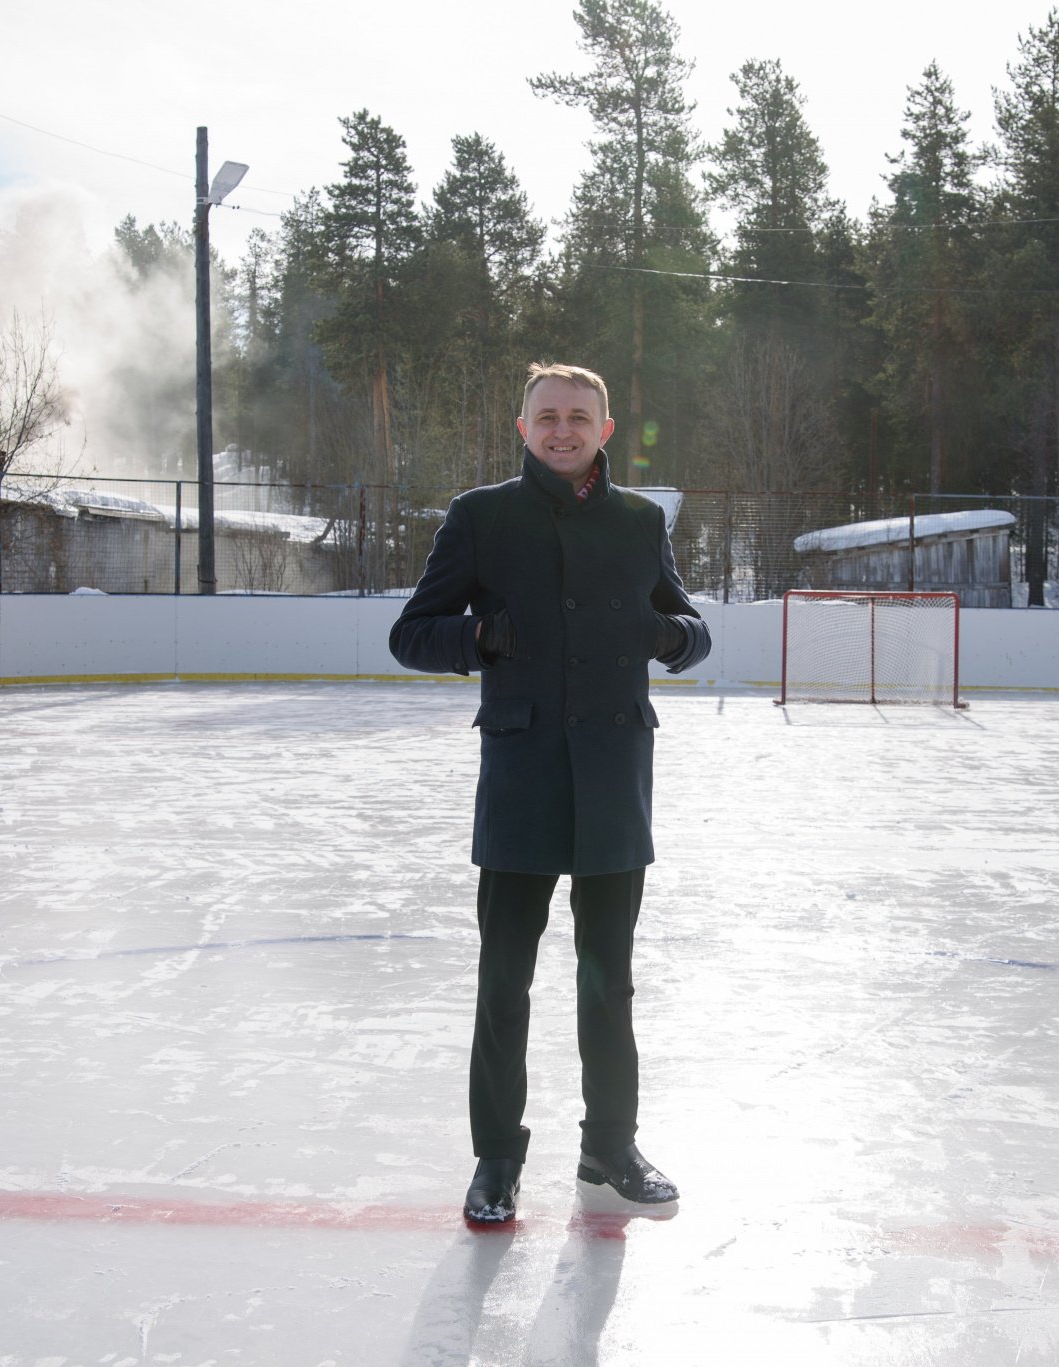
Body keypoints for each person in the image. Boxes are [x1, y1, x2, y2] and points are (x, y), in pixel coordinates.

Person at [388, 362, 711, 1225]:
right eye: (547, 416)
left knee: (609, 984)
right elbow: (410, 633)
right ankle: (496, 1158)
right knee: (505, 981)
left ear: (605, 430)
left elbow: (693, 629)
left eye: (579, 417)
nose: (562, 430)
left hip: (614, 783)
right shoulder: (480, 516)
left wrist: (663, 633)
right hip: (524, 781)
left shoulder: (642, 520)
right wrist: (480, 635)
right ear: (522, 427)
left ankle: (610, 1147)